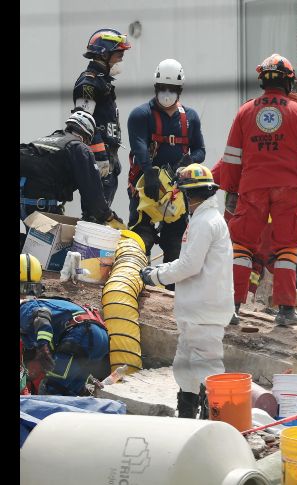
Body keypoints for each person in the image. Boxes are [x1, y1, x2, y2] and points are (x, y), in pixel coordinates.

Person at [216, 53, 297, 326]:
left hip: (252, 188)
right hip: (289, 190)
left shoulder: (245, 112)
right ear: (289, 83)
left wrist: (231, 190)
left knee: (243, 245)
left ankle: (231, 308)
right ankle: (286, 311)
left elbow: (232, 157)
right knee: (287, 247)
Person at [139, 164, 234, 419]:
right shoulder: (206, 219)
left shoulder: (204, 222)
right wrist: (159, 269)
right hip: (198, 309)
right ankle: (188, 415)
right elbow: (188, 260)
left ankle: (216, 421)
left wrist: (156, 275)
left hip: (204, 310)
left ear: (187, 194)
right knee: (185, 366)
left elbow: (190, 265)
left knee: (207, 369)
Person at [127, 59, 206, 291]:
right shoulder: (141, 115)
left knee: (174, 245)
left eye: (172, 89)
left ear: (180, 90)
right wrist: (148, 170)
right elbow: (139, 144)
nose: (167, 93)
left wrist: (190, 160)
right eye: (162, 88)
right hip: (147, 188)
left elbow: (200, 149)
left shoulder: (190, 118)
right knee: (141, 239)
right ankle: (134, 285)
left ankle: (171, 295)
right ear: (155, 88)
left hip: (176, 193)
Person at [20, 254, 110, 396]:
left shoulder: (25, 307)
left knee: (52, 390)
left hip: (80, 335)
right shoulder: (50, 303)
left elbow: (42, 316)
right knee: (71, 393)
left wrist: (43, 347)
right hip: (99, 335)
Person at [19, 111, 123, 226]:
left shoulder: (44, 141)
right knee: (59, 243)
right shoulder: (79, 148)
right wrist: (108, 216)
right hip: (40, 209)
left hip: (25, 202)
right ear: (87, 135)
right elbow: (92, 192)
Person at [73, 28, 132, 206]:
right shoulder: (89, 83)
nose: (121, 59)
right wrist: (100, 157)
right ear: (104, 55)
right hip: (98, 160)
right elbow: (82, 124)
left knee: (102, 217)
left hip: (108, 157)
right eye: (118, 55)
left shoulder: (102, 82)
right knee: (95, 218)